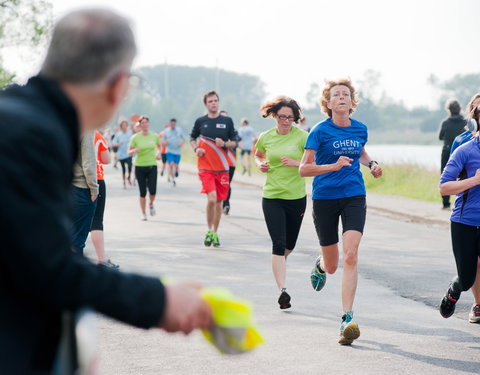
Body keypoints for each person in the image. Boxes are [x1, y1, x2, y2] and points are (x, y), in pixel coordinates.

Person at [0, 9, 211, 374]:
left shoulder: (20, 117)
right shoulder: (33, 135)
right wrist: (160, 300)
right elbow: (47, 268)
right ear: (117, 86)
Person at [299, 78, 382, 345]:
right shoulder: (320, 131)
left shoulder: (360, 129)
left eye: (346, 94)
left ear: (351, 101)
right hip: (325, 197)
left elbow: (361, 153)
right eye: (336, 95)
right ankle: (321, 265)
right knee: (333, 265)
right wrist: (331, 167)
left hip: (354, 195)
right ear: (329, 102)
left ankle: (347, 318)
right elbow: (304, 169)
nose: (342, 98)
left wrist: (372, 164)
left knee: (351, 255)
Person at [255, 97, 307, 310]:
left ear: (295, 118)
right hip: (272, 196)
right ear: (274, 116)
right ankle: (282, 291)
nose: (286, 121)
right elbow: (258, 155)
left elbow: (315, 160)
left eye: (290, 117)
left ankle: (277, 265)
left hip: (296, 197)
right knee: (278, 243)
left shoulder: (303, 137)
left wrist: (297, 163)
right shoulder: (265, 137)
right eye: (282, 117)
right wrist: (261, 164)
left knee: (289, 245)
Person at [439, 105, 480, 324]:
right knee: (466, 279)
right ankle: (455, 289)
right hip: (464, 222)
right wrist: (475, 180)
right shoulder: (465, 150)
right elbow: (444, 187)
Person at [190, 91, 237, 247]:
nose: (213, 103)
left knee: (218, 202)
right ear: (206, 104)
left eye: (216, 100)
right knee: (211, 198)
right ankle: (209, 229)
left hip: (222, 168)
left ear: (218, 102)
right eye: (210, 101)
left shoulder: (227, 121)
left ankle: (214, 233)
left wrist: (224, 144)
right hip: (205, 167)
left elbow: (234, 142)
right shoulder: (200, 121)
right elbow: (192, 138)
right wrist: (196, 149)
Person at [91, 130, 119, 268]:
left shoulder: (70, 129)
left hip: (76, 180)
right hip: (96, 178)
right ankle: (102, 259)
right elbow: (107, 159)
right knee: (96, 221)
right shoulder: (97, 136)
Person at [71, 131, 99, 256]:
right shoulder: (86, 131)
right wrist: (94, 189)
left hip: (64, 187)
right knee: (78, 239)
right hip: (82, 188)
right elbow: (88, 163)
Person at [128, 115, 161, 221]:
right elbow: (129, 152)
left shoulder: (154, 136)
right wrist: (134, 151)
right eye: (143, 123)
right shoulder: (135, 138)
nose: (145, 124)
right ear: (140, 125)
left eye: (146, 122)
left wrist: (158, 153)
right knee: (142, 192)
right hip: (139, 166)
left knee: (152, 191)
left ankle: (151, 203)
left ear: (149, 124)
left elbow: (159, 148)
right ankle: (143, 213)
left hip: (152, 165)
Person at [438, 98, 466, 209]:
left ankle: (446, 203)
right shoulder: (465, 122)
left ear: (449, 110)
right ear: (459, 109)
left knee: (445, 175)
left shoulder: (445, 122)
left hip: (447, 151)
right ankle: (461, 202)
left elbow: (440, 137)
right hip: (462, 151)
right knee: (464, 176)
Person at [162, 118, 185, 187]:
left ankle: (176, 171)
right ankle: (173, 179)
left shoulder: (179, 130)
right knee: (171, 164)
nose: (173, 125)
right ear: (170, 124)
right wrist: (165, 142)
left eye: (174, 124)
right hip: (169, 151)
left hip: (177, 151)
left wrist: (182, 143)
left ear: (175, 124)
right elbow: (162, 141)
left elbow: (183, 138)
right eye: (171, 124)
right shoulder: (166, 131)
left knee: (176, 165)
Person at [113, 119, 133, 188]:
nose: (124, 126)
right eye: (123, 125)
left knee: (130, 167)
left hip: (128, 154)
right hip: (121, 155)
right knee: (123, 169)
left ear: (127, 126)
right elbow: (113, 143)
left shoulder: (130, 133)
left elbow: (134, 141)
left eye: (125, 125)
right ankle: (124, 183)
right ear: (121, 126)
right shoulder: (118, 134)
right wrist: (118, 143)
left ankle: (129, 177)